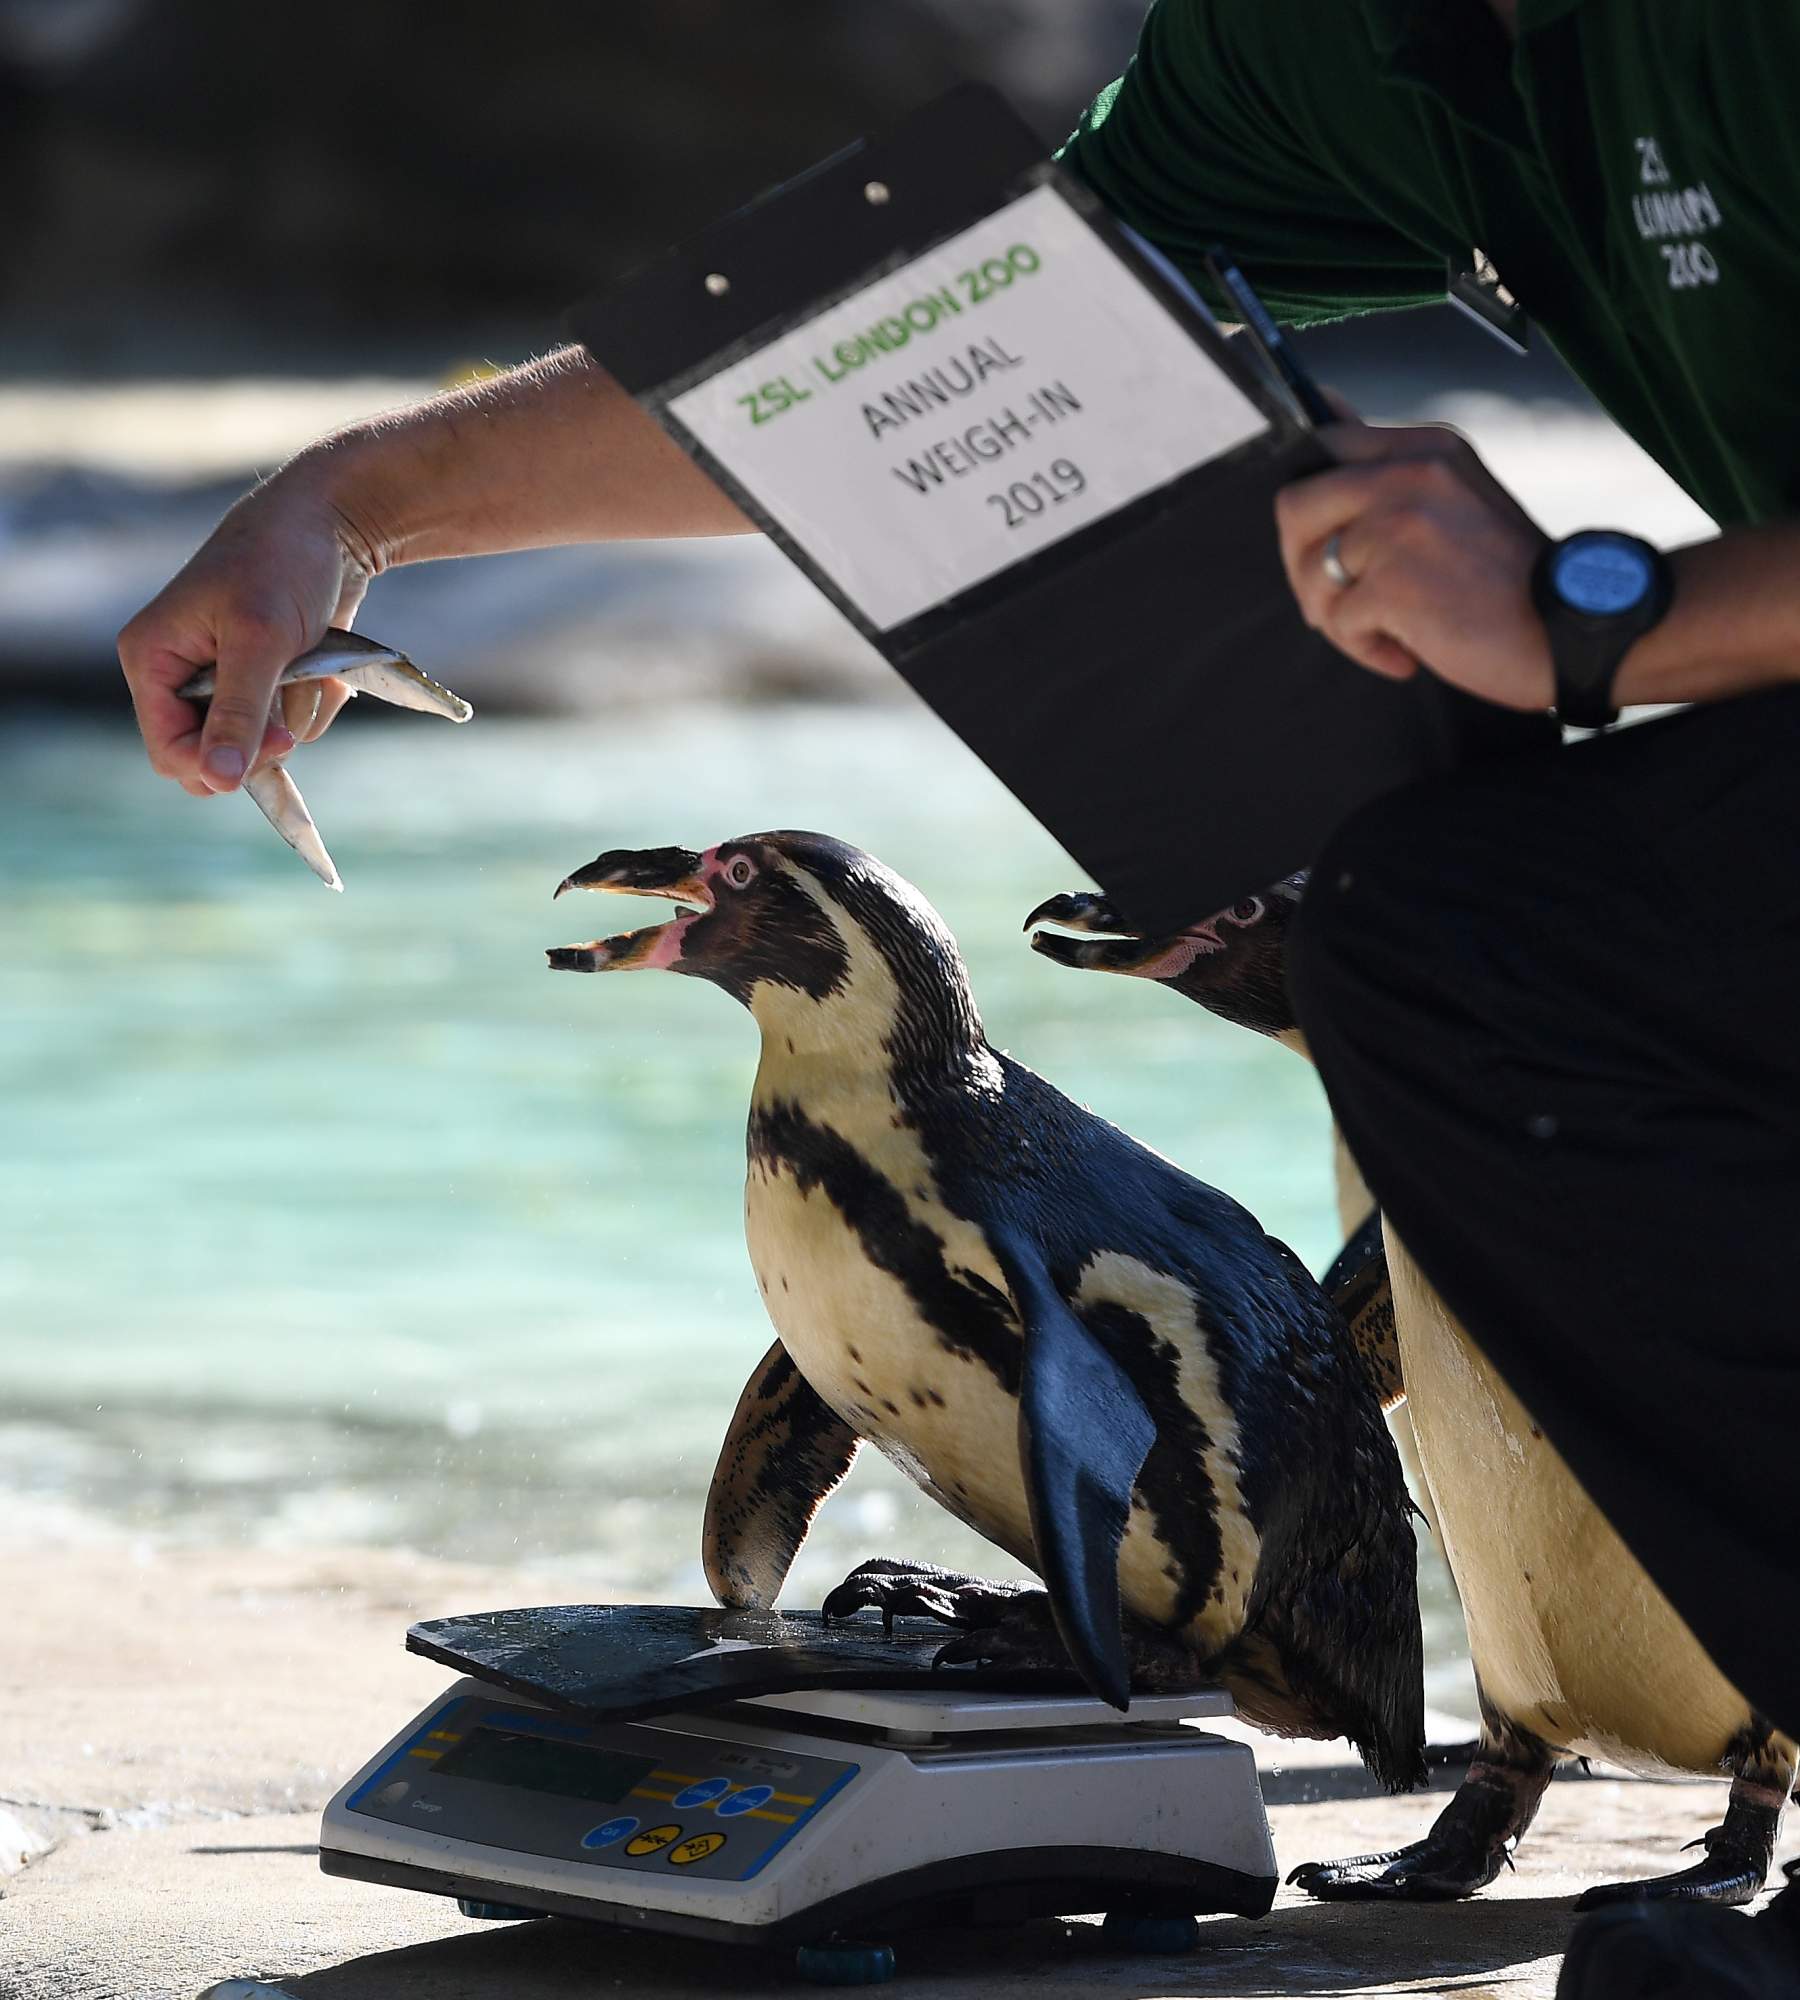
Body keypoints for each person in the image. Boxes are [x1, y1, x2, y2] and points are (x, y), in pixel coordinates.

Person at [119, 2, 1798, 1989]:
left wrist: (1607, 621)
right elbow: (908, 357)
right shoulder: (1359, 40)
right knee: (1445, 929)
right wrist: (346, 510)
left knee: (1487, 932)